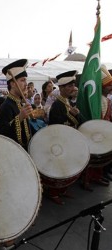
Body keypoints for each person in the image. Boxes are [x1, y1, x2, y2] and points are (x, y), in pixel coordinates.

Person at [48, 70, 81, 204]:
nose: (72, 88)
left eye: (73, 85)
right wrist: (71, 115)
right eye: (69, 86)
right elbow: (55, 126)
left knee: (66, 167)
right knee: (58, 167)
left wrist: (76, 114)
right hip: (59, 142)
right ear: (61, 88)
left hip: (68, 141)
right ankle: (53, 193)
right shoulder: (57, 105)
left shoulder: (68, 102)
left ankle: (63, 189)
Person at [0, 59, 33, 150]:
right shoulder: (6, 106)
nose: (26, 84)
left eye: (26, 80)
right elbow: (3, 135)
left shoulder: (20, 103)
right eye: (22, 80)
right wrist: (20, 117)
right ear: (13, 84)